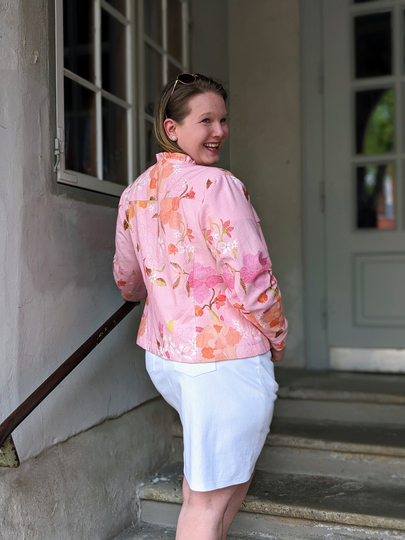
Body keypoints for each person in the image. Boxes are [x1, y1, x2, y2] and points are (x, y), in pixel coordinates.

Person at [113, 73, 288, 540]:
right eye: (206, 120)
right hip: (222, 360)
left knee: (209, 486)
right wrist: (277, 334)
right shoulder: (218, 184)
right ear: (171, 128)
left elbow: (128, 282)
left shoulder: (135, 193)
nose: (219, 131)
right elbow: (253, 277)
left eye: (223, 120)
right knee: (206, 501)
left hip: (166, 358)